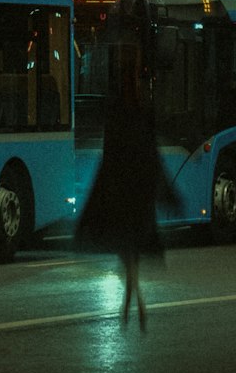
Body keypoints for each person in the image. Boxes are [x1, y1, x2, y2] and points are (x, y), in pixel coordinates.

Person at [74, 45, 180, 329]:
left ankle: (131, 308)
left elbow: (110, 159)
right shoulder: (141, 113)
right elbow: (151, 156)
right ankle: (134, 307)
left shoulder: (118, 113)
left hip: (123, 197)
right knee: (131, 254)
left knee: (128, 255)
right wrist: (165, 192)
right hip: (136, 195)